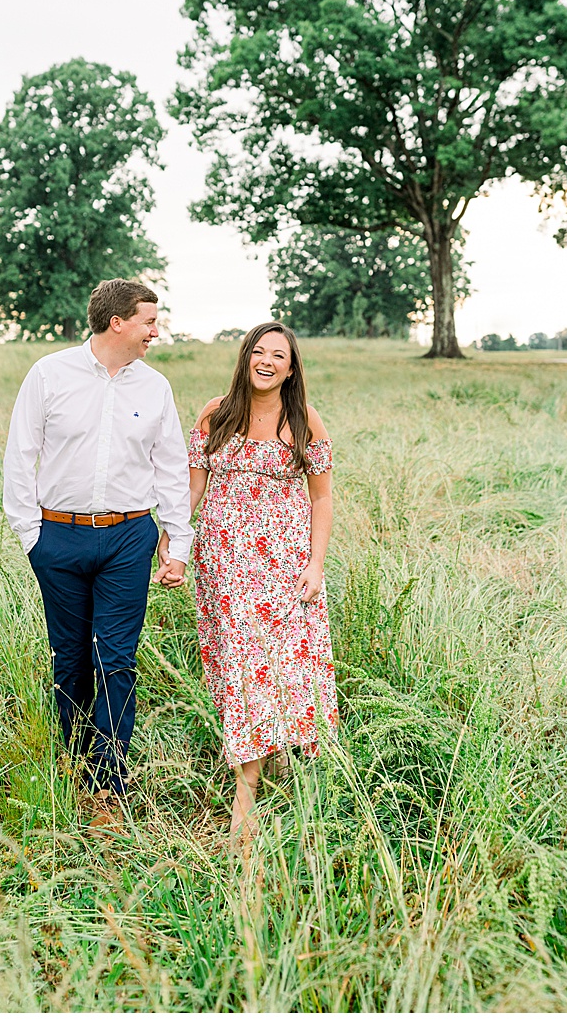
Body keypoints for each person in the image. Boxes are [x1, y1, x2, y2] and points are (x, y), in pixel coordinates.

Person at [2, 278, 193, 832]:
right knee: (69, 657)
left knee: (116, 657)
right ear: (118, 322)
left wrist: (177, 543)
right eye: (148, 321)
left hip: (129, 538)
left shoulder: (155, 387)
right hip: (58, 537)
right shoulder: (49, 374)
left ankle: (108, 781)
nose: (155, 331)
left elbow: (171, 467)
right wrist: (31, 535)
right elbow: (20, 455)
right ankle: (73, 762)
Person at [173, 320, 338, 845]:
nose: (267, 361)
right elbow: (192, 489)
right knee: (241, 668)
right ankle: (264, 761)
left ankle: (249, 793)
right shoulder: (215, 413)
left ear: (291, 369)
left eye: (278, 356)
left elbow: (321, 497)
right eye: (259, 352)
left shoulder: (303, 418)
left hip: (284, 568)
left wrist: (315, 564)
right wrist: (173, 540)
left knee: (278, 668)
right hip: (224, 568)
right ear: (246, 357)